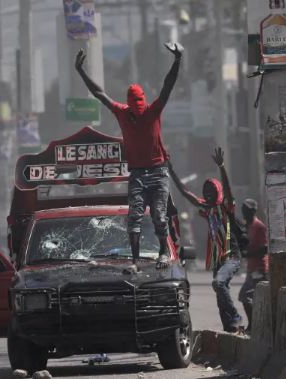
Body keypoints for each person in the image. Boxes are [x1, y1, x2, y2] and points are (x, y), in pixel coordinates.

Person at [75, 42, 182, 271]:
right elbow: (99, 93)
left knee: (159, 217)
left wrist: (177, 60)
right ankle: (135, 261)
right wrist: (81, 71)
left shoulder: (153, 111)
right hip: (137, 173)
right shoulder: (121, 112)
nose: (139, 109)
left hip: (158, 171)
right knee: (133, 218)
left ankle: (163, 252)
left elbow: (167, 86)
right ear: (129, 104)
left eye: (141, 105)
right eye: (135, 106)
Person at [168, 148, 243, 332]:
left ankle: (235, 316)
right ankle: (230, 328)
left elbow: (228, 189)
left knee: (218, 283)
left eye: (211, 191)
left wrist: (222, 167)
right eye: (206, 191)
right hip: (219, 260)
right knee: (219, 292)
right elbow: (185, 192)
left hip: (231, 256)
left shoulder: (226, 206)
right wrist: (171, 171)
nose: (208, 194)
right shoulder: (206, 208)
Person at [237, 199, 268, 333]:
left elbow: (264, 249)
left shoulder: (259, 227)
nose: (244, 212)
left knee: (246, 296)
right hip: (251, 268)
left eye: (246, 209)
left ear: (253, 211)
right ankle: (256, 325)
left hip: (260, 269)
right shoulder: (247, 226)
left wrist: (247, 254)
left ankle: (254, 325)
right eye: (243, 209)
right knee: (248, 297)